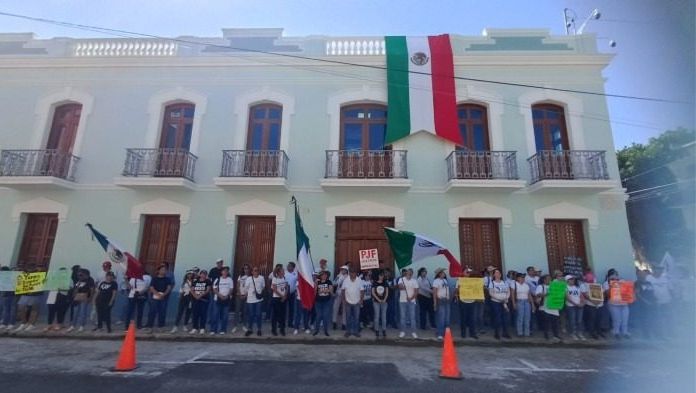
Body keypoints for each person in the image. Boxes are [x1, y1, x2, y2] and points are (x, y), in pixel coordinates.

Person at [14, 265, 44, 332]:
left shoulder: (39, 275)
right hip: (25, 294)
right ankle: (23, 323)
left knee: (34, 309)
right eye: (28, 269)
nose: (29, 270)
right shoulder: (24, 275)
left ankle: (32, 324)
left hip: (35, 295)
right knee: (21, 307)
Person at [145, 265, 173, 333]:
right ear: (159, 271)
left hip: (163, 298)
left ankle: (161, 327)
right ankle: (150, 327)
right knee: (152, 312)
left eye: (165, 270)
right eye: (162, 269)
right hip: (154, 297)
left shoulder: (167, 279)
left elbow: (169, 288)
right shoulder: (154, 279)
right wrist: (157, 294)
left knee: (162, 312)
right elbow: (151, 287)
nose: (164, 271)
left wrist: (164, 294)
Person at [604, 269, 630, 340]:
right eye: (612, 274)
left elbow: (628, 291)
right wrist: (612, 285)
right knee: (616, 319)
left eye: (616, 274)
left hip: (624, 303)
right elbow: (607, 294)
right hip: (613, 304)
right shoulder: (606, 283)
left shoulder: (622, 281)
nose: (615, 276)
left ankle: (625, 332)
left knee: (625, 319)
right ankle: (616, 332)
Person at [646, 265, 671, 338]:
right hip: (655, 303)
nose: (659, 271)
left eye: (661, 269)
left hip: (666, 301)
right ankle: (657, 334)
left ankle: (667, 333)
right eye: (657, 269)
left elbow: (670, 289)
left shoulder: (665, 278)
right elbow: (647, 291)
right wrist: (652, 300)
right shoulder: (648, 278)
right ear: (653, 270)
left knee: (666, 318)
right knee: (656, 319)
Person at [67, 268, 95, 333]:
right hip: (77, 298)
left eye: (81, 274)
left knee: (83, 312)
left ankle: (81, 326)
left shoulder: (90, 280)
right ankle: (73, 326)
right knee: (75, 312)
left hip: (85, 297)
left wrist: (90, 298)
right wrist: (73, 295)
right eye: (79, 275)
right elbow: (75, 288)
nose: (79, 276)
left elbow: (92, 289)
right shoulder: (79, 280)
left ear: (85, 274)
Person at [44, 267, 71, 332]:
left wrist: (60, 288)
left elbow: (69, 288)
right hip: (52, 295)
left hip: (62, 296)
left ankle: (59, 324)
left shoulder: (68, 279)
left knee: (60, 311)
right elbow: (47, 284)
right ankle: (49, 324)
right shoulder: (53, 278)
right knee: (51, 311)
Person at [454, 267, 479, 339]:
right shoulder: (459, 280)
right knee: (463, 318)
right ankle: (463, 333)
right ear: (463, 273)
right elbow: (456, 291)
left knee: (472, 318)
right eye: (466, 272)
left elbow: (477, 289)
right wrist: (458, 289)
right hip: (463, 301)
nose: (468, 274)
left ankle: (472, 333)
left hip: (472, 301)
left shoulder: (473, 281)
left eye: (469, 272)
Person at [536, 274, 561, 342]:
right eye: (548, 279)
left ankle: (556, 335)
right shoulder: (541, 286)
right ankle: (546, 334)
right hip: (545, 307)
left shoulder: (553, 286)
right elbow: (538, 294)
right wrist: (547, 294)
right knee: (546, 322)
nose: (549, 280)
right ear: (544, 280)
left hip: (553, 307)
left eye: (550, 279)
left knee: (555, 322)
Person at [488, 269, 511, 340]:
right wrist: (499, 299)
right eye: (496, 273)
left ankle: (505, 333)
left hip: (504, 302)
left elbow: (508, 291)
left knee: (505, 318)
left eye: (499, 273)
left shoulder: (505, 282)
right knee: (497, 318)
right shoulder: (492, 283)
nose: (498, 274)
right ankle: (497, 333)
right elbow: (491, 293)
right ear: (494, 275)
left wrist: (506, 298)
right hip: (495, 302)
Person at [580, 271, 604, 339]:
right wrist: (594, 301)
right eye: (589, 276)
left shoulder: (597, 284)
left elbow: (602, 293)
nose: (591, 277)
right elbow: (585, 295)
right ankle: (592, 332)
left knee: (599, 319)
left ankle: (599, 331)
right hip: (590, 305)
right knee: (591, 319)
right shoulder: (583, 285)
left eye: (592, 276)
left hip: (599, 305)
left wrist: (598, 302)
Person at [211, 266, 234, 335]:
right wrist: (220, 295)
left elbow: (231, 289)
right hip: (217, 299)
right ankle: (213, 330)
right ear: (221, 272)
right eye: (224, 271)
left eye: (227, 271)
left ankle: (223, 329)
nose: (225, 272)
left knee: (225, 316)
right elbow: (214, 289)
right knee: (215, 315)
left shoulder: (230, 279)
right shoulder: (217, 279)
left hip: (226, 299)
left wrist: (227, 296)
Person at [341, 269, 364, 338]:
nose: (352, 274)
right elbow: (343, 290)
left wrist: (361, 300)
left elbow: (362, 291)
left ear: (356, 273)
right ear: (349, 273)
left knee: (356, 318)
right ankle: (348, 332)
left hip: (357, 302)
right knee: (348, 318)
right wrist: (344, 300)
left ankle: (355, 332)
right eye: (351, 273)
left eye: (354, 273)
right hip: (348, 302)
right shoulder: (346, 280)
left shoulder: (359, 280)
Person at [397, 268, 419, 339]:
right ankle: (403, 331)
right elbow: (400, 287)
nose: (409, 273)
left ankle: (413, 332)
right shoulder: (401, 279)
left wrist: (411, 298)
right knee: (403, 317)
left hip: (412, 301)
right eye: (408, 272)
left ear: (412, 274)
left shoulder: (414, 281)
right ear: (406, 273)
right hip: (402, 301)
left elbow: (416, 291)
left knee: (412, 317)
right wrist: (403, 286)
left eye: (410, 272)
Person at [244, 266, 265, 337]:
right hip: (250, 300)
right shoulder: (249, 279)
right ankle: (250, 329)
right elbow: (246, 288)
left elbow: (263, 287)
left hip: (259, 299)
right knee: (251, 315)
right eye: (254, 270)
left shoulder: (261, 278)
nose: (256, 272)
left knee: (259, 314)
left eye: (257, 270)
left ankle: (259, 329)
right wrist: (248, 293)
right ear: (252, 272)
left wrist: (259, 293)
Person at [512, 272, 534, 337]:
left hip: (527, 302)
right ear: (518, 278)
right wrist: (514, 303)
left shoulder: (526, 285)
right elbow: (512, 295)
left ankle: (527, 332)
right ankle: (520, 332)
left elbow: (529, 295)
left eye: (523, 277)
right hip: (519, 301)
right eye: (521, 277)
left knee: (527, 317)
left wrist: (532, 304)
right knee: (520, 317)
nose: (523, 278)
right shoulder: (514, 284)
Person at [190, 270, 212, 334]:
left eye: (205, 274)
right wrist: (195, 296)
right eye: (202, 274)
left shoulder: (208, 281)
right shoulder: (195, 281)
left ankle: (202, 328)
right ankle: (195, 328)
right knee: (195, 314)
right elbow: (192, 290)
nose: (203, 275)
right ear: (200, 274)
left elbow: (208, 290)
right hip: (195, 300)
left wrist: (200, 295)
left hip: (204, 300)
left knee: (203, 314)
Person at [432, 267, 451, 340]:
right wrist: (435, 303)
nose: (444, 273)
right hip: (440, 300)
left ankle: (446, 334)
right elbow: (434, 292)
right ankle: (440, 333)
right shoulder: (436, 281)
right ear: (439, 274)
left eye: (443, 272)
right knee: (441, 318)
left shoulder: (445, 280)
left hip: (446, 300)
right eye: (442, 272)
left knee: (447, 318)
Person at [313, 270, 333, 336]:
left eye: (325, 275)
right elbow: (315, 291)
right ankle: (316, 330)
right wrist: (315, 283)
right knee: (318, 316)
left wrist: (321, 290)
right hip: (318, 302)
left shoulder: (329, 282)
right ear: (320, 276)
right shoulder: (317, 282)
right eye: (323, 275)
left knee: (325, 316)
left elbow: (330, 290)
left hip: (326, 301)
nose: (324, 276)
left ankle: (325, 330)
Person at [270, 265, 288, 336]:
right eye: (283, 271)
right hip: (276, 298)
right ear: (279, 272)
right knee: (275, 315)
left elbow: (286, 287)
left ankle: (282, 329)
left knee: (283, 315)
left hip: (283, 298)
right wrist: (282, 296)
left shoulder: (284, 278)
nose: (284, 272)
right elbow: (274, 289)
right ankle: (273, 330)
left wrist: (285, 296)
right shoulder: (275, 279)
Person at [565, 275, 585, 340]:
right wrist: (576, 304)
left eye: (573, 279)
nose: (572, 280)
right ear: (567, 280)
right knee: (572, 320)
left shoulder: (577, 287)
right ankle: (573, 333)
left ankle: (580, 333)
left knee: (579, 320)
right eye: (571, 279)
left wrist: (582, 303)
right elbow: (567, 298)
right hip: (571, 306)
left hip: (579, 306)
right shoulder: (565, 287)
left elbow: (581, 296)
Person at [372, 270, 389, 338]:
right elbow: (373, 292)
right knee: (377, 316)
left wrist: (384, 299)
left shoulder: (385, 283)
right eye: (380, 275)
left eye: (382, 275)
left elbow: (387, 292)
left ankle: (384, 330)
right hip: (376, 301)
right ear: (378, 276)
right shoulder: (375, 283)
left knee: (384, 317)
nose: (381, 277)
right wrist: (378, 299)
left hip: (384, 302)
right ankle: (376, 330)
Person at [234, 264, 251, 333]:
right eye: (245, 268)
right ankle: (235, 326)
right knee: (237, 311)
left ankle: (244, 326)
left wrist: (246, 295)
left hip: (247, 296)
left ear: (249, 269)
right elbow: (238, 285)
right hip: (239, 296)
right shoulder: (240, 276)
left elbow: (250, 288)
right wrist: (240, 293)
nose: (246, 270)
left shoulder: (250, 277)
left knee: (245, 311)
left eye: (247, 268)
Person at [332, 265, 349, 330]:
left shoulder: (348, 277)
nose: (342, 270)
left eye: (344, 269)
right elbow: (334, 283)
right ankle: (334, 322)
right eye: (341, 269)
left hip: (345, 295)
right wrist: (338, 278)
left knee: (344, 309)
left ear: (346, 270)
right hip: (338, 294)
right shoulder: (338, 276)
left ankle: (344, 324)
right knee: (335, 308)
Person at [285, 262, 298, 329]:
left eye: (289, 266)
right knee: (283, 308)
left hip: (292, 293)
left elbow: (298, 282)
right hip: (284, 293)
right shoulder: (284, 273)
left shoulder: (296, 274)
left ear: (293, 267)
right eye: (288, 266)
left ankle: (290, 323)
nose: (288, 267)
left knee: (291, 309)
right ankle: (281, 322)